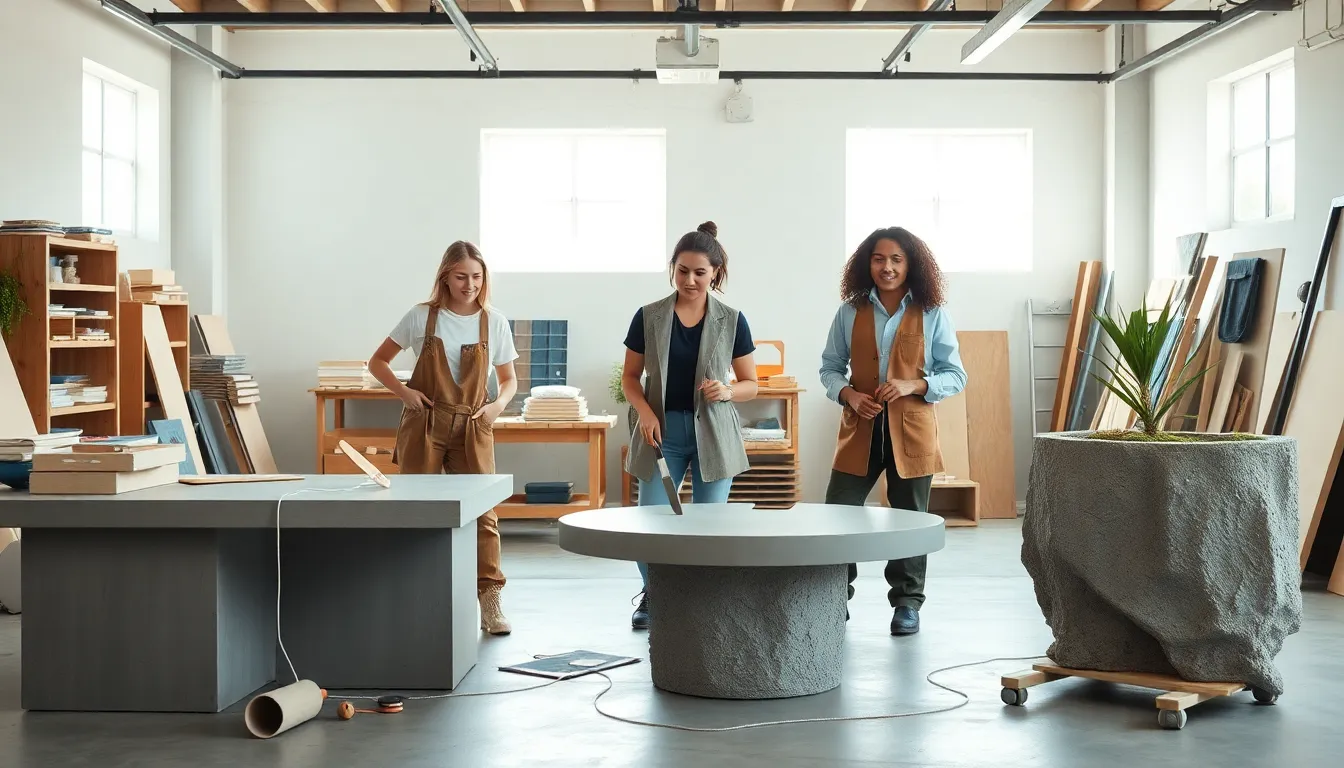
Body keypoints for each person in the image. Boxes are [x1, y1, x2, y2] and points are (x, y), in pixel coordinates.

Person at [819, 226, 967, 637]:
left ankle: (907, 603)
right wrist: (848, 394)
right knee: (838, 514)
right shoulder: (849, 311)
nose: (887, 267)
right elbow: (829, 368)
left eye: (896, 260)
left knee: (910, 520)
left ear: (910, 265)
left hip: (912, 431)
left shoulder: (932, 311)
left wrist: (914, 385)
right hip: (860, 429)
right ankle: (833, 595)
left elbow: (956, 375)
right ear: (868, 263)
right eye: (879, 259)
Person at [367, 241, 519, 636]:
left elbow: (508, 381)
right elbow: (377, 362)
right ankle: (412, 595)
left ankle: (490, 600)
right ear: (445, 277)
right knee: (416, 509)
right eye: (461, 276)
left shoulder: (494, 321)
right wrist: (405, 393)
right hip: (425, 423)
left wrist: (497, 407)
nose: (469, 284)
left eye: (476, 276)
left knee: (485, 515)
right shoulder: (421, 317)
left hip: (474, 424)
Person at [621, 221, 758, 630]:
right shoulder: (648, 316)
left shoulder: (732, 320)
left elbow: (751, 383)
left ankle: (704, 599)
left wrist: (729, 392)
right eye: (683, 271)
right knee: (651, 524)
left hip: (714, 435)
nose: (690, 280)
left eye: (700, 272)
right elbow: (630, 378)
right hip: (662, 435)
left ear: (715, 272)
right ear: (672, 268)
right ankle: (653, 595)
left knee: (710, 526)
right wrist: (645, 412)